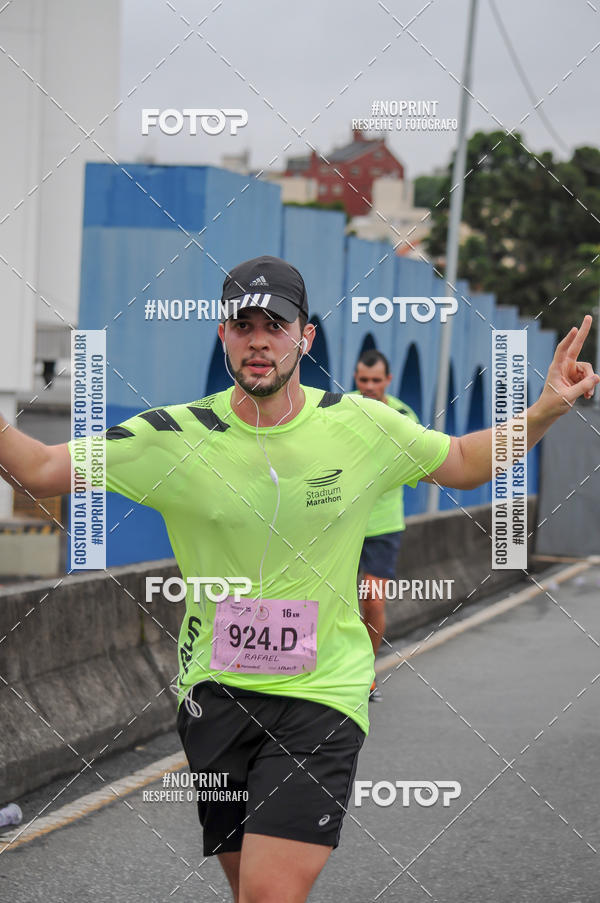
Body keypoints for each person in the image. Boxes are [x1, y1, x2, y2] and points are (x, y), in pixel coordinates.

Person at [0, 254, 597, 903]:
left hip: (323, 691)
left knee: (268, 892)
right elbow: (39, 469)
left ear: (304, 337)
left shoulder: (358, 423)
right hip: (216, 696)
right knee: (248, 890)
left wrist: (543, 412)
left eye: (275, 324)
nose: (259, 339)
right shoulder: (171, 436)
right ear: (222, 335)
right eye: (243, 323)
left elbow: (457, 460)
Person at [354, 349, 420, 703]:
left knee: (372, 599)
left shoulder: (403, 416)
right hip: (341, 522)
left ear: (388, 381)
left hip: (383, 525)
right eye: (363, 380)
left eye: (376, 381)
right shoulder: (340, 407)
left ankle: (367, 674)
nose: (369, 387)